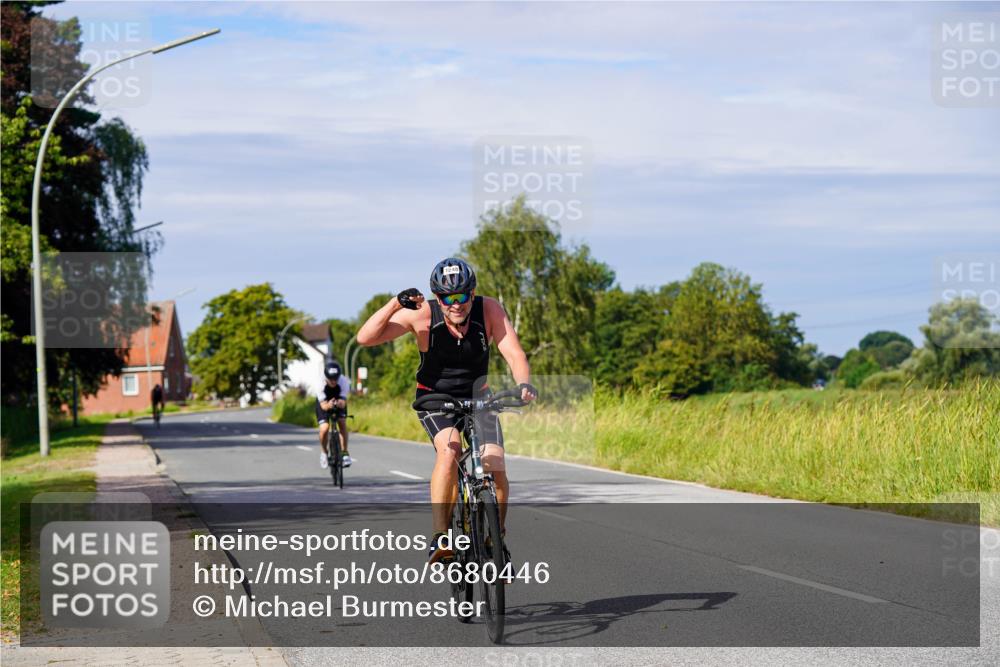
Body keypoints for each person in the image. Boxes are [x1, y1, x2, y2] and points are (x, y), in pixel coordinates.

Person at [356, 257, 537, 562]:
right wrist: (394, 304)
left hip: (479, 396)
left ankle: (496, 538)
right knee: (450, 450)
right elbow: (365, 338)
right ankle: (441, 537)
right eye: (448, 299)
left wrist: (524, 383)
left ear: (473, 292)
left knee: (494, 462)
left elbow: (513, 352)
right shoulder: (423, 315)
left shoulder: (489, 309)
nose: (456, 305)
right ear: (437, 298)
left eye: (463, 296)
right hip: (435, 399)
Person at [317, 361, 352, 469]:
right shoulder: (320, 383)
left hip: (338, 398)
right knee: (324, 428)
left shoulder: (343, 381)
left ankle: (345, 453)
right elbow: (323, 406)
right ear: (326, 377)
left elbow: (343, 401)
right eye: (330, 379)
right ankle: (324, 452)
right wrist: (328, 405)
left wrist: (339, 403)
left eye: (335, 379)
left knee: (342, 422)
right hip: (324, 402)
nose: (333, 381)